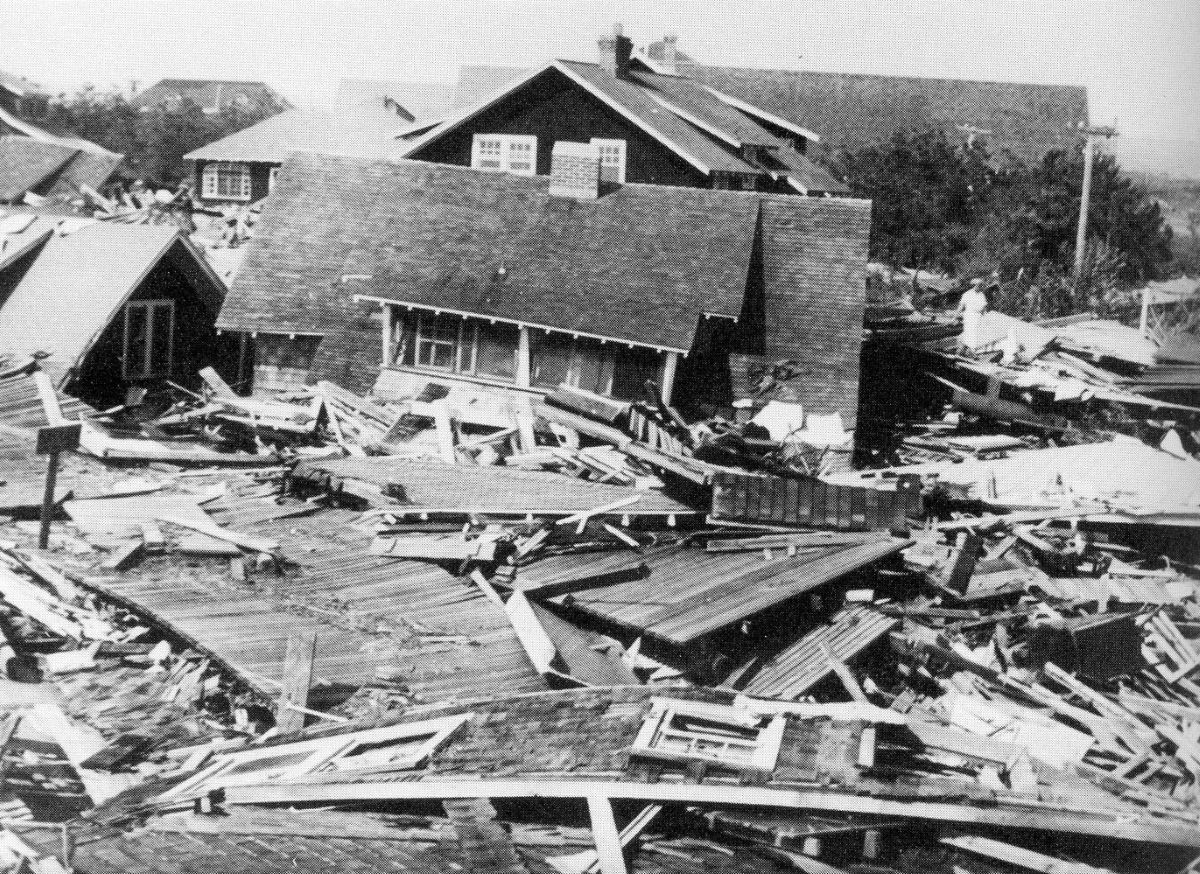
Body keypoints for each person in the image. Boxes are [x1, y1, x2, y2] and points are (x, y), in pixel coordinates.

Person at [957, 278, 989, 349]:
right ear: (975, 285)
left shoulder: (981, 295)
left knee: (978, 333)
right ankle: (967, 348)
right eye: (979, 285)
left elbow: (984, 308)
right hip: (970, 316)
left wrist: (986, 317)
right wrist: (955, 316)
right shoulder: (967, 294)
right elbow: (961, 306)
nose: (981, 287)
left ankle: (974, 348)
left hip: (979, 317)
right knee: (969, 333)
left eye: (981, 285)